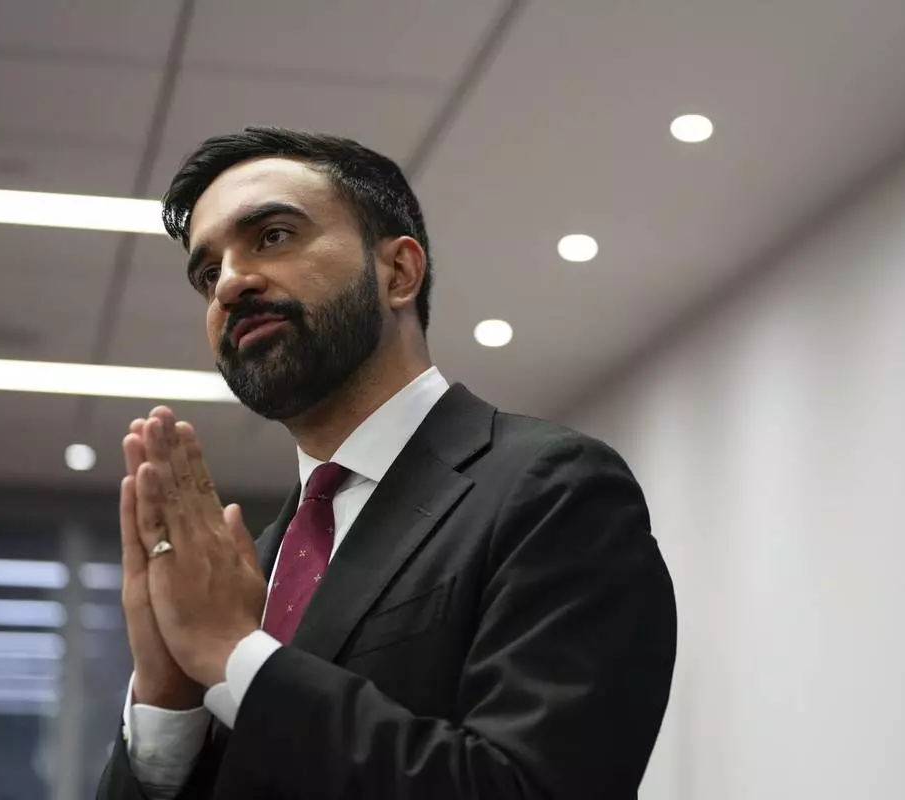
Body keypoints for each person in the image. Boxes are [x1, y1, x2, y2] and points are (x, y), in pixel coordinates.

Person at [96, 127, 677, 800]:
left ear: (398, 271)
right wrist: (170, 703)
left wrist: (235, 657)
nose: (230, 283)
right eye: (206, 273)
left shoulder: (554, 490)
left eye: (274, 236)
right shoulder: (246, 572)